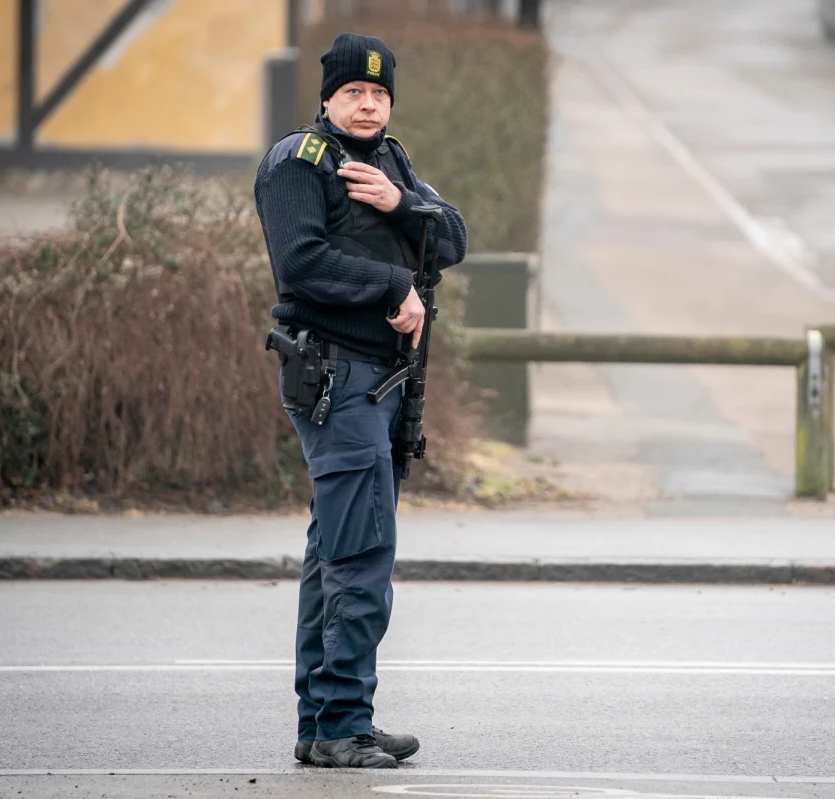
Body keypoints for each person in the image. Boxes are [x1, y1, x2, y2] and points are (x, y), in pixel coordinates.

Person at [253, 32, 468, 769]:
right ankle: (342, 720)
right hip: (335, 379)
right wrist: (393, 284)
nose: (369, 102)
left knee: (333, 553)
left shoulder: (391, 162)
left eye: (379, 93)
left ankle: (325, 723)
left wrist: (405, 205)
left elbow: (455, 237)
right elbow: (301, 262)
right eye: (355, 92)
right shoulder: (298, 163)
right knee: (360, 552)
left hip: (380, 386)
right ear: (327, 98)